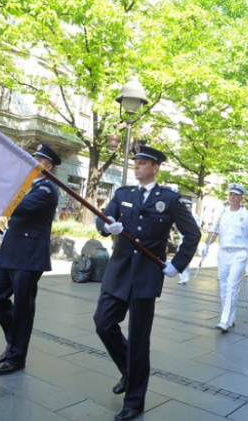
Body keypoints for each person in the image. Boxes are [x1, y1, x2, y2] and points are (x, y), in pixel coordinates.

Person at [94, 145, 200, 421]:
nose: (137, 166)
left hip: (145, 276)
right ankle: (130, 371)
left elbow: (192, 234)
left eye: (143, 163)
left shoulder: (170, 199)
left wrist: (177, 265)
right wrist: (107, 226)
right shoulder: (122, 194)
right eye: (136, 162)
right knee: (103, 323)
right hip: (118, 272)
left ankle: (135, 400)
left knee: (139, 340)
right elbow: (102, 218)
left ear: (155, 167)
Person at [0, 143, 62, 375]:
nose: (31, 162)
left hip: (28, 254)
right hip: (9, 251)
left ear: (47, 166)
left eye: (37, 159)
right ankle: (13, 342)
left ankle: (17, 357)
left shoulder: (47, 189)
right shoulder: (26, 186)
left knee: (22, 307)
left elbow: (17, 209)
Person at [202, 184, 248, 332]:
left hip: (239, 253)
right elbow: (214, 231)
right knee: (223, 287)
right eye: (230, 194)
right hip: (223, 253)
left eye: (235, 195)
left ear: (241, 198)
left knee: (232, 286)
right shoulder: (222, 213)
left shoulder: (247, 216)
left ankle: (224, 320)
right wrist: (206, 244)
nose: (232, 197)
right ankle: (230, 316)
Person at [176, 199, 202, 285]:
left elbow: (197, 228)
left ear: (191, 207)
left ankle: (186, 277)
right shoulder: (181, 215)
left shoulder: (195, 216)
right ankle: (182, 277)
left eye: (188, 207)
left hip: (189, 240)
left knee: (186, 259)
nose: (187, 209)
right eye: (185, 207)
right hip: (181, 239)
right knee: (179, 257)